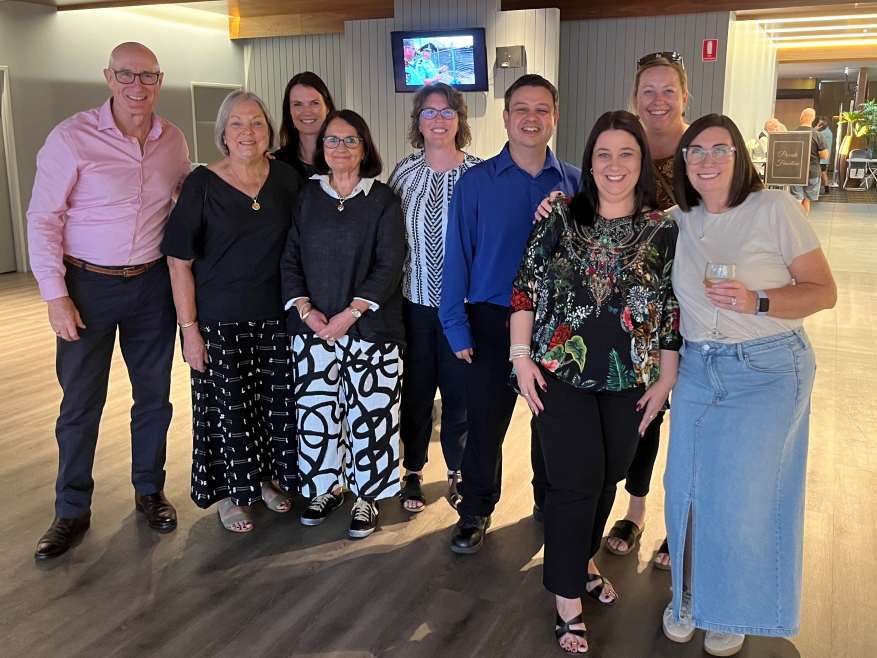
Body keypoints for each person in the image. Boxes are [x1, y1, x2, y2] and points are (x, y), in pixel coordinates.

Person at [661, 114, 836, 657]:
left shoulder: (775, 208)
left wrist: (758, 300)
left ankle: (729, 606)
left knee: (739, 498)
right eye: (695, 151)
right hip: (697, 366)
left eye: (720, 149)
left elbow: (823, 292)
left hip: (767, 368)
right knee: (683, 492)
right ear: (682, 162)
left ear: (740, 156)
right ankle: (687, 595)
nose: (707, 161)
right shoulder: (676, 220)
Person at [513, 110, 680, 655]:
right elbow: (525, 289)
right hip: (560, 371)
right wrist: (520, 358)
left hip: (631, 377)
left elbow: (670, 310)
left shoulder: (661, 230)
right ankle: (566, 600)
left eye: (626, 153)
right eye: (603, 154)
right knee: (574, 480)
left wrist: (666, 379)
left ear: (641, 162)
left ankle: (581, 562)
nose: (614, 165)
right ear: (589, 162)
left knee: (608, 474)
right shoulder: (560, 215)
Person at [27, 43, 190, 561]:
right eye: (127, 75)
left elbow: (184, 201)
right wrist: (55, 295)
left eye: (148, 76)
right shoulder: (70, 138)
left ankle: (149, 491)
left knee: (154, 400)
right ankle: (71, 510)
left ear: (159, 81)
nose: (137, 86)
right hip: (86, 286)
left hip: (150, 287)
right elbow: (43, 220)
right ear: (109, 77)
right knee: (79, 405)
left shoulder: (173, 140)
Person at [440, 74, 581, 554]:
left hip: (557, 324)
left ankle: (547, 501)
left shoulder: (577, 183)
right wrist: (455, 326)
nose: (531, 118)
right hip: (490, 318)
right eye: (522, 108)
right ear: (504, 117)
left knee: (554, 422)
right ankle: (476, 508)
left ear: (555, 119)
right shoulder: (476, 183)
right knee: (485, 421)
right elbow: (455, 257)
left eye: (542, 109)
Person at [161, 90, 301, 532]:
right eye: (237, 123)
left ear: (270, 131)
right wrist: (189, 330)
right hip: (220, 321)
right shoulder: (202, 184)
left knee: (274, 406)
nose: (248, 132)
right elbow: (178, 261)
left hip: (278, 318)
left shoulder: (287, 179)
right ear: (222, 132)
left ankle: (263, 481)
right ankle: (229, 495)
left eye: (257, 122)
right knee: (228, 411)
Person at [281, 109, 405, 539]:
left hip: (370, 328)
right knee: (317, 414)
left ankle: (367, 497)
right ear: (321, 148)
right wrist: (305, 310)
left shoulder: (383, 199)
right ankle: (326, 487)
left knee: (370, 416)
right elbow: (290, 257)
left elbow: (390, 264)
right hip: (312, 331)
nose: (340, 148)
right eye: (332, 140)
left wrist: (350, 314)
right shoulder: (307, 196)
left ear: (365, 147)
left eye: (350, 140)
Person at [606, 51, 690, 568]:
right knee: (647, 413)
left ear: (685, 97)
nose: (657, 101)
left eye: (668, 91)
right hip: (642, 311)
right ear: (634, 100)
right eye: (647, 92)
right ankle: (636, 512)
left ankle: (682, 521)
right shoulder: (627, 152)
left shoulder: (704, 149)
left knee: (697, 422)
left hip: (704, 310)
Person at [388, 83, 482, 512]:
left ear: (460, 120)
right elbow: (388, 242)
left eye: (448, 112)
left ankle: (458, 470)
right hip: (414, 306)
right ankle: (413, 471)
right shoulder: (403, 173)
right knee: (417, 392)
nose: (439, 119)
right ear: (418, 122)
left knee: (460, 395)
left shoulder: (479, 175)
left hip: (462, 311)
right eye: (430, 112)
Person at [274, 71, 337, 181]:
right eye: (298, 104)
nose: (307, 112)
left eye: (314, 103)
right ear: (289, 111)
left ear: (327, 108)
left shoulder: (342, 157)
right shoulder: (276, 163)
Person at [789, 108, 828, 215]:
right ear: (813, 119)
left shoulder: (792, 133)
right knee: (807, 199)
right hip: (812, 170)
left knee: (797, 197)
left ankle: (793, 219)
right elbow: (825, 155)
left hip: (795, 170)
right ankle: (803, 222)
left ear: (801, 118)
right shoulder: (817, 134)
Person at [814, 116, 833, 195]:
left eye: (819, 123)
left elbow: (814, 137)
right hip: (825, 157)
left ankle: (821, 189)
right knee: (823, 172)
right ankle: (826, 189)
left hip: (822, 157)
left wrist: (815, 130)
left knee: (821, 173)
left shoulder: (823, 133)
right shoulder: (828, 132)